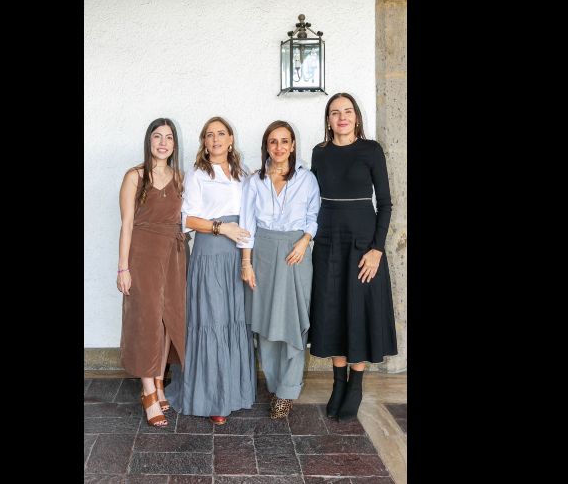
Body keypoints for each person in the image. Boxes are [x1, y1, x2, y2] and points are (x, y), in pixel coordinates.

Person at [309, 93, 398, 421]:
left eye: (347, 111)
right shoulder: (319, 153)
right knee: (332, 309)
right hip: (327, 241)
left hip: (363, 244)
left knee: (358, 310)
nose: (341, 117)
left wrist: (377, 249)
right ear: (328, 120)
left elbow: (385, 203)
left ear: (356, 117)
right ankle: (338, 383)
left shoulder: (371, 150)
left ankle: (356, 384)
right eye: (335, 112)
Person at [165, 116, 256, 425]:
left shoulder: (244, 174)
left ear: (231, 139)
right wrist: (222, 228)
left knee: (234, 320)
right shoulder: (197, 174)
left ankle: (235, 392)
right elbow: (185, 219)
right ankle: (213, 396)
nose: (215, 139)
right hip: (211, 250)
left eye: (221, 133)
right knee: (212, 321)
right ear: (203, 142)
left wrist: (246, 257)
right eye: (209, 135)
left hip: (237, 256)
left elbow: (250, 218)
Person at [238, 120, 320, 419]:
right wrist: (246, 263)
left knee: (294, 322)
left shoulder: (306, 179)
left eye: (285, 141)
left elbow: (313, 215)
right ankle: (275, 385)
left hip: (296, 253)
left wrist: (304, 242)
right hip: (262, 252)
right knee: (266, 324)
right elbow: (247, 223)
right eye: (273, 142)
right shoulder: (254, 181)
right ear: (266, 147)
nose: (279, 147)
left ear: (293, 145)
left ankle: (287, 391)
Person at [117, 118, 187, 428]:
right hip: (143, 256)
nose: (162, 142)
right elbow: (127, 225)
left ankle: (159, 381)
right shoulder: (135, 176)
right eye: (157, 136)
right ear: (149, 141)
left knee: (169, 320)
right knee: (146, 320)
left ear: (174, 144)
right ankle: (148, 392)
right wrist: (123, 267)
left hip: (173, 256)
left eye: (168, 137)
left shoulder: (180, 178)